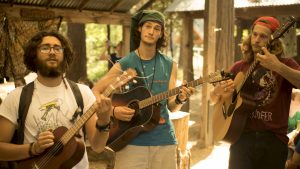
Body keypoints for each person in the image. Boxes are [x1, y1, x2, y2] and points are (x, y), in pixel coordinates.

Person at [92, 10, 195, 169]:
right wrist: (113, 111)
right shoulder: (125, 63)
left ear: (161, 34)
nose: (151, 31)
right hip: (129, 141)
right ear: (140, 29)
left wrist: (181, 98)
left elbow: (172, 107)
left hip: (164, 141)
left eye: (156, 28)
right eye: (148, 26)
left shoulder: (169, 64)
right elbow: (94, 92)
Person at [0, 31, 112, 169]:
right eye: (45, 48)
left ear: (64, 55)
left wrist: (104, 121)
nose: (52, 52)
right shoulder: (16, 97)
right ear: (34, 55)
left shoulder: (83, 93)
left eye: (57, 48)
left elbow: (98, 146)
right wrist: (33, 148)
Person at [210, 16, 300, 169]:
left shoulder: (285, 64)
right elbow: (214, 100)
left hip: (274, 141)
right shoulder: (239, 67)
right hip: (241, 139)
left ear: (273, 41)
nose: (256, 39)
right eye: (254, 34)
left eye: (263, 36)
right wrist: (217, 92)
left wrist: (277, 67)